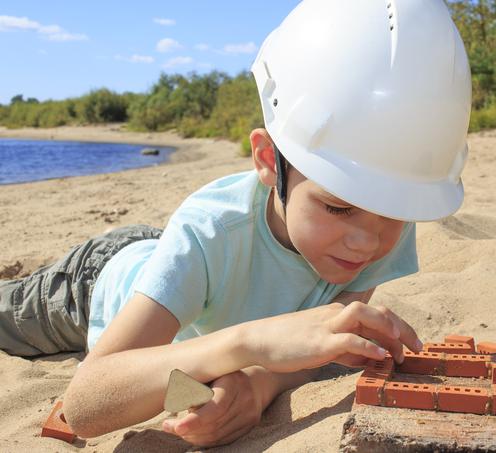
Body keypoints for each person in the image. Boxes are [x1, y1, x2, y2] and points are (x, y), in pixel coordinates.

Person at [0, 0, 471, 447]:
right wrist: (252, 342)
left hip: (181, 276)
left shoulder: (378, 211)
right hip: (96, 282)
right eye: (338, 208)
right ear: (269, 161)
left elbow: (317, 349)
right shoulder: (209, 231)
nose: (368, 241)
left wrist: (258, 384)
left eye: (395, 213)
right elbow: (86, 404)